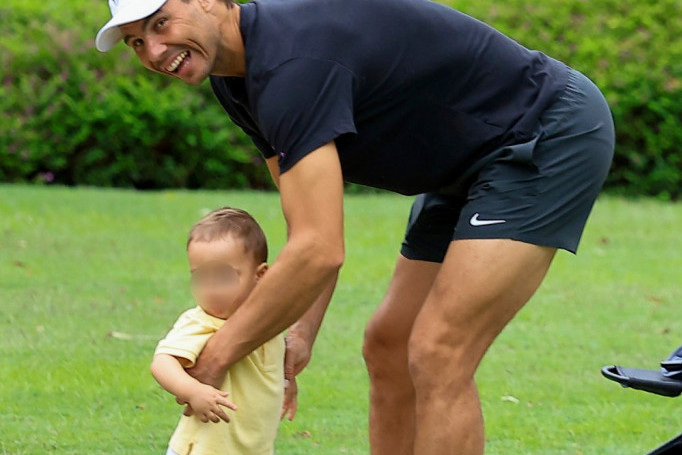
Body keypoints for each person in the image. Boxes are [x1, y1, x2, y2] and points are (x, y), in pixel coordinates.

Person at [96, 0, 615, 453]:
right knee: (388, 344)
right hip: (464, 164)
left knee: (438, 351)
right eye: (136, 41)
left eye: (161, 24)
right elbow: (308, 227)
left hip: (544, 131)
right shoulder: (237, 80)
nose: (154, 51)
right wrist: (297, 337)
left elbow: (320, 248)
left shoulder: (292, 65)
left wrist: (215, 360)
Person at [151, 207, 297, 455]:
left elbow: (272, 364)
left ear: (260, 275)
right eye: (200, 277)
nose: (212, 289)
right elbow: (162, 363)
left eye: (223, 276)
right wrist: (193, 391)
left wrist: (287, 382)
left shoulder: (268, 321)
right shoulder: (202, 322)